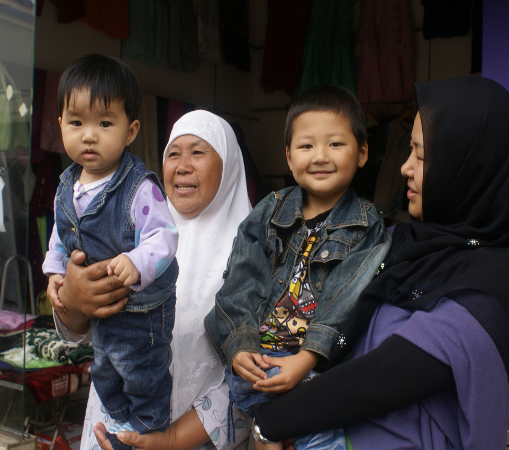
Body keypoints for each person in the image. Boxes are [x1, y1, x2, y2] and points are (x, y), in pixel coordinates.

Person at [250, 77, 509, 450]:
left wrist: (272, 422)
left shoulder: (494, 288)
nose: (405, 167)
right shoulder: (400, 242)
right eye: (409, 151)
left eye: (422, 157)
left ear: (471, 166)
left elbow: (380, 380)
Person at [51, 110, 253, 450]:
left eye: (198, 152)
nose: (182, 166)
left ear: (229, 166)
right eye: (173, 154)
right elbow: (77, 330)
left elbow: (253, 380)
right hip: (110, 432)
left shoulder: (256, 255)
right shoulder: (129, 232)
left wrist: (169, 440)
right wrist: (72, 296)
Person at [204, 85, 391, 450]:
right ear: (289, 157)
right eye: (306, 146)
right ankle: (270, 426)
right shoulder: (270, 211)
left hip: (315, 368)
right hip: (257, 362)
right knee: (250, 394)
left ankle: (272, 427)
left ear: (363, 153)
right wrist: (240, 346)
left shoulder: (367, 225)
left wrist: (304, 360)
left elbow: (344, 300)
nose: (320, 156)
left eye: (335, 144)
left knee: (321, 433)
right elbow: (241, 280)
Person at [42, 54, 179, 450]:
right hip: (102, 317)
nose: (89, 135)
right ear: (60, 125)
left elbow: (165, 236)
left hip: (141, 313)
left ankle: (145, 432)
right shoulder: (66, 187)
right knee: (104, 371)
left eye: (104, 123)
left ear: (131, 130)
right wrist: (56, 273)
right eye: (76, 123)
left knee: (143, 375)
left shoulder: (139, 187)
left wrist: (136, 261)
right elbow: (61, 235)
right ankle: (119, 424)